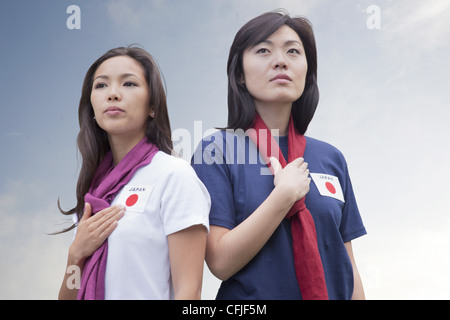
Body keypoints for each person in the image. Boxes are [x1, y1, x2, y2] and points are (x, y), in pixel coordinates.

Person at [192, 11, 366, 300]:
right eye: (263, 50)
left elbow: (347, 265)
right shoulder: (217, 150)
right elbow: (219, 262)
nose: (281, 60)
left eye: (293, 51)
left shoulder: (331, 157)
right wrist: (283, 196)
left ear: (307, 71)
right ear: (239, 73)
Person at [57, 46, 210, 300]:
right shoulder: (93, 195)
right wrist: (76, 254)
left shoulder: (174, 175)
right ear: (92, 107)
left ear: (153, 106)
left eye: (129, 83)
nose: (113, 94)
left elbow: (189, 294)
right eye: (101, 86)